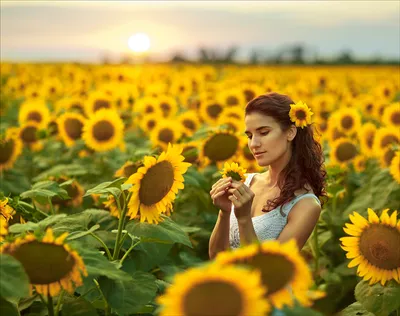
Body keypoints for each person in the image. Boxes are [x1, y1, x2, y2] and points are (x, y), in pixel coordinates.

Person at [209, 92, 327, 259]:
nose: (254, 144)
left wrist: (244, 220)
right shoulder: (247, 182)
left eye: (263, 132)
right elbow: (215, 256)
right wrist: (225, 212)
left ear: (290, 133)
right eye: (249, 136)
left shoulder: (305, 204)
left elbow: (270, 271)